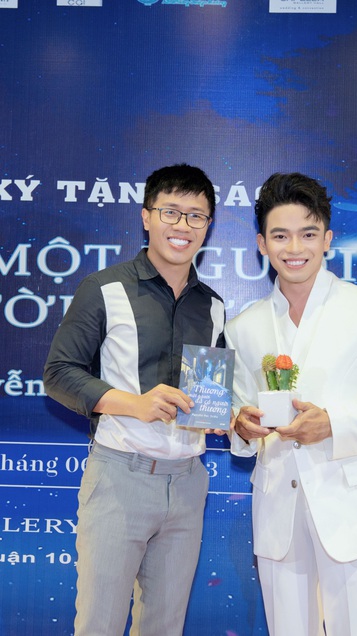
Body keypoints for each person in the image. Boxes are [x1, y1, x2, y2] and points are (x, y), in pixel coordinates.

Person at [225, 172, 357, 636]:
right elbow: (240, 416)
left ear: (328, 240)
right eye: (281, 235)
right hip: (279, 514)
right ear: (261, 244)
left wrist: (333, 424)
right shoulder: (243, 328)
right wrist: (242, 427)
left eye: (308, 233)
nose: (295, 247)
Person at [43, 164, 226, 636]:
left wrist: (224, 415)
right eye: (171, 212)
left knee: (165, 627)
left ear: (208, 226)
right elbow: (58, 374)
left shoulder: (213, 305)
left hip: (187, 483)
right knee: (99, 625)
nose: (183, 225)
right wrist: (134, 403)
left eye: (196, 216)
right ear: (147, 217)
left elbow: (211, 391)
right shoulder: (104, 288)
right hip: (119, 477)